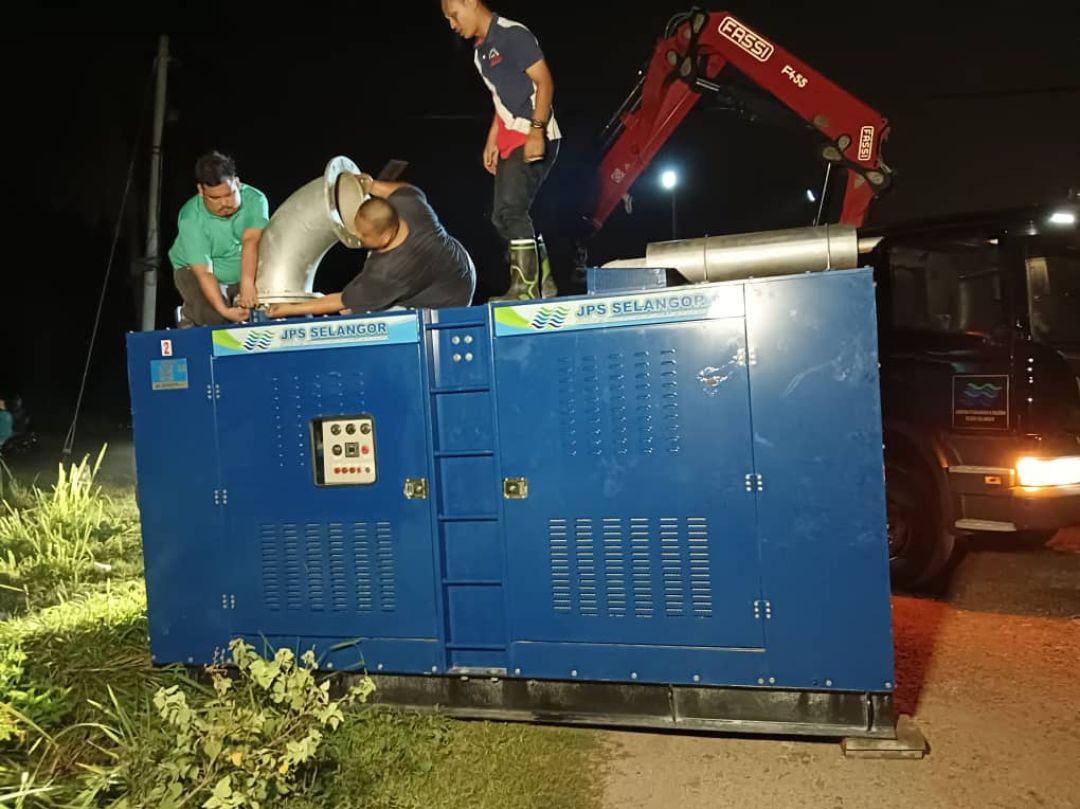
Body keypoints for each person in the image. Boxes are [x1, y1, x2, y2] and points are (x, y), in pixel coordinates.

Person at [441, 0, 560, 300]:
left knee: (511, 210)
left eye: (454, 15)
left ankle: (525, 289)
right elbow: (501, 99)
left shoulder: (512, 34)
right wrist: (492, 138)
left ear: (470, 3)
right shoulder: (480, 53)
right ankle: (543, 282)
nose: (452, 25)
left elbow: (544, 82)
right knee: (500, 216)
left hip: (533, 132)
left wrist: (536, 131)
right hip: (510, 136)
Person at [266, 176, 475, 318]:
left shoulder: (390, 272)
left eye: (364, 235)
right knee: (362, 300)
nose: (358, 236)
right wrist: (372, 185)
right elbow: (406, 190)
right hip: (459, 263)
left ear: (385, 236)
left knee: (356, 311)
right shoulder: (410, 205)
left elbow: (341, 300)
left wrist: (289, 309)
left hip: (449, 300)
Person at [167, 151, 270, 326]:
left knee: (266, 307)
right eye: (215, 198)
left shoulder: (256, 200)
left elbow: (251, 241)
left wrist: (247, 284)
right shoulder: (191, 218)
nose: (224, 203)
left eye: (229, 194)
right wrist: (224, 311)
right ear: (201, 191)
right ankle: (189, 316)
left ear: (237, 183)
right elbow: (204, 272)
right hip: (196, 271)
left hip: (242, 266)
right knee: (215, 317)